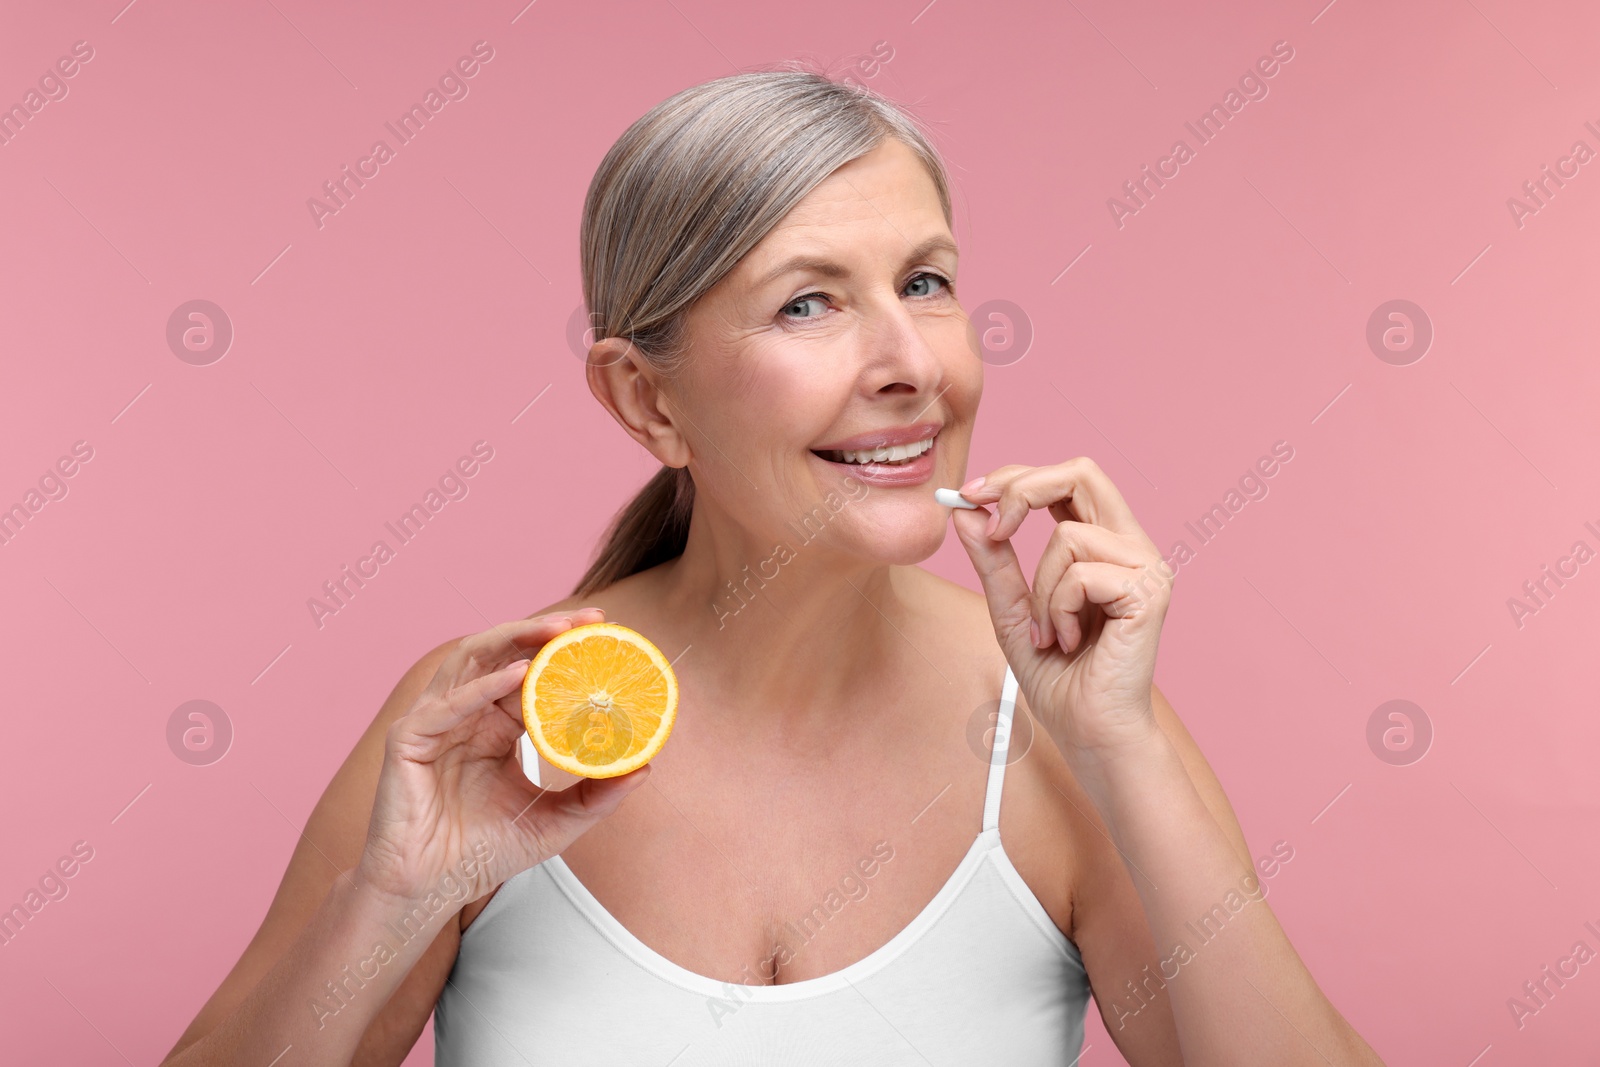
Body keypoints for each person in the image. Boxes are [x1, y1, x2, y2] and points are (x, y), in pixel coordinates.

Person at [161, 68, 1384, 1066]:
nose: (913, 361)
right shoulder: (490, 727)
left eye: (926, 281)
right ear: (647, 399)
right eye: (808, 304)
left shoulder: (1063, 732)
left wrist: (1126, 751)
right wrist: (391, 899)